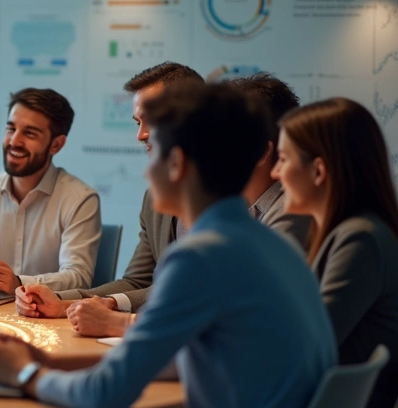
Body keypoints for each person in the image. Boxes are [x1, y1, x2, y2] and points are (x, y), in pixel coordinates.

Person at [0, 82, 336, 408]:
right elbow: (186, 358)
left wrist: (25, 375)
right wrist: (51, 363)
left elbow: (105, 399)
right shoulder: (270, 246)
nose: (145, 172)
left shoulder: (200, 256)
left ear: (176, 163)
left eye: (152, 152)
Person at [19, 71, 312, 338]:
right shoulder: (227, 219)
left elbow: (212, 319)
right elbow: (148, 288)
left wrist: (118, 322)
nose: (143, 136)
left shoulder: (269, 223)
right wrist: (69, 304)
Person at [274, 97, 398, 408]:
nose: (275, 172)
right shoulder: (349, 233)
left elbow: (303, 346)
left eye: (283, 159)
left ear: (319, 171)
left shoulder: (360, 239)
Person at [0, 87, 100, 293]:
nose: (14, 141)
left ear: (56, 145)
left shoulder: (80, 199)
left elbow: (78, 277)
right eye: (11, 129)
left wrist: (19, 283)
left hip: (47, 311)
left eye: (29, 133)